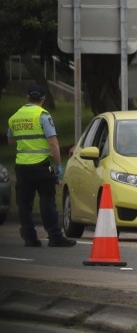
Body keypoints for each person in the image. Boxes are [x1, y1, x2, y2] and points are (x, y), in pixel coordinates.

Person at [6, 85, 76, 247]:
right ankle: (54, 236)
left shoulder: (15, 117)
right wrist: (59, 167)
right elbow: (53, 143)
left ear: (27, 98)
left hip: (22, 167)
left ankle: (30, 238)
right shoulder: (43, 115)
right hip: (40, 166)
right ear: (43, 100)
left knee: (24, 203)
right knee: (47, 201)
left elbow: (10, 141)